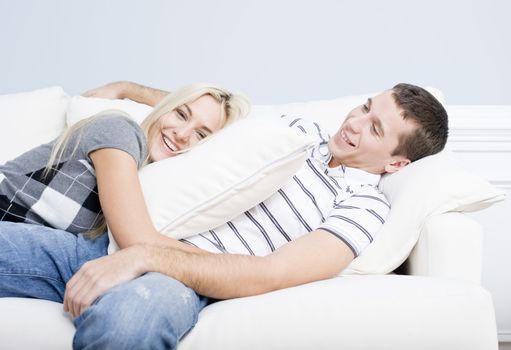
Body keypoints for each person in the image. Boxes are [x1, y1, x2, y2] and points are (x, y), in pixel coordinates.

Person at [0, 81, 448, 349]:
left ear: (396, 163)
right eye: (366, 107)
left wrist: (148, 256)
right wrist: (128, 89)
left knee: (129, 324)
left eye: (374, 128)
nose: (353, 123)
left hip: (178, 280)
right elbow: (214, 107)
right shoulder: (295, 131)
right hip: (104, 244)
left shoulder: (365, 206)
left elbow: (272, 274)